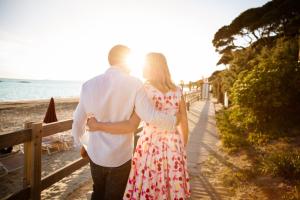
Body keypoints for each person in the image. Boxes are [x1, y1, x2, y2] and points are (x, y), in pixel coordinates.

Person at [71, 45, 178, 200]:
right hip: (120, 156)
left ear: (110, 60)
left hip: (96, 154)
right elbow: (150, 116)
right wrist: (175, 120)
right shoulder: (135, 84)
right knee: (115, 196)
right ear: (127, 62)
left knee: (98, 192)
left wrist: (82, 144)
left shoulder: (88, 85)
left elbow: (77, 122)